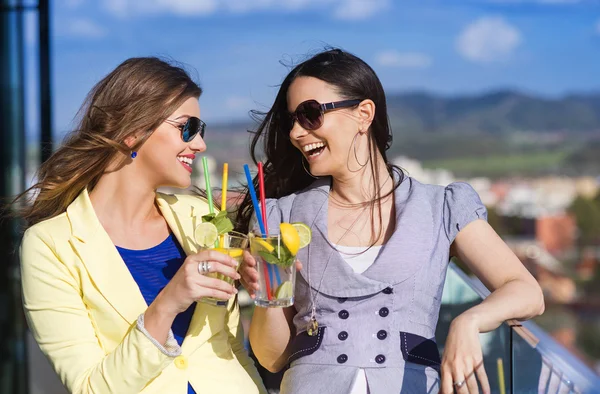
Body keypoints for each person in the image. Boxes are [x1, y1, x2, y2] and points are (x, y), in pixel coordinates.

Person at [237, 48, 545, 394]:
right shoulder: (279, 218)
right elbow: (273, 358)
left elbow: (527, 292)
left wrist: (469, 322)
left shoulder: (441, 207)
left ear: (363, 114)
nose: (296, 132)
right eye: (290, 121)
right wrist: (268, 293)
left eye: (309, 114)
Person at [16, 57, 266, 394]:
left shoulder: (201, 218)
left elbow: (232, 349)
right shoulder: (49, 245)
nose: (200, 144)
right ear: (133, 131)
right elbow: (90, 388)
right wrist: (169, 301)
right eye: (188, 128)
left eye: (201, 131)